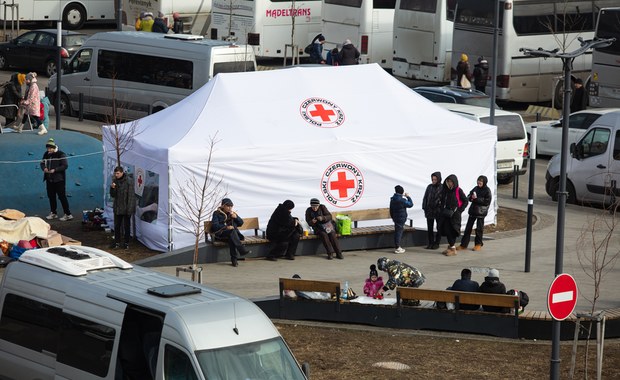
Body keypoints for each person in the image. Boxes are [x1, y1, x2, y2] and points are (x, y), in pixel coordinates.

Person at [211, 198, 251, 267]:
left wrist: (236, 217)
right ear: (223, 206)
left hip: (232, 235)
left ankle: (234, 260)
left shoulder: (232, 213)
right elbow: (215, 226)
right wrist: (226, 227)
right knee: (232, 233)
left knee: (231, 237)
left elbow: (241, 223)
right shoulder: (216, 213)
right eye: (228, 206)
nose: (230, 208)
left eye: (231, 206)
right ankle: (240, 251)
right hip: (221, 235)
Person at [40, 138, 72, 221]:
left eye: (50, 148)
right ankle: (53, 213)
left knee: (62, 197)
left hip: (59, 180)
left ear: (54, 147)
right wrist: (44, 168)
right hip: (49, 179)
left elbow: (65, 166)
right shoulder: (46, 154)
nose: (48, 150)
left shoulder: (61, 154)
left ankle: (68, 214)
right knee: (51, 196)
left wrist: (55, 170)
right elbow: (42, 163)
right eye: (47, 148)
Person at [458, 175, 492, 251]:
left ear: (484, 182)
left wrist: (476, 199)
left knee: (479, 229)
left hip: (481, 212)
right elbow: (469, 196)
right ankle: (463, 244)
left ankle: (478, 244)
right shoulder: (475, 188)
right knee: (468, 228)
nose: (479, 182)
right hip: (473, 211)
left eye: (481, 181)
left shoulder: (487, 190)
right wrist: (471, 198)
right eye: (478, 181)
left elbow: (487, 201)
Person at [438, 174, 468, 256]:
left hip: (455, 215)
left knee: (453, 231)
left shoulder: (458, 190)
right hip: (446, 214)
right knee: (447, 230)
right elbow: (442, 201)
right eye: (448, 181)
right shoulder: (446, 190)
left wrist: (460, 210)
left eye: (451, 181)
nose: (450, 183)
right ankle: (450, 247)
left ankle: (453, 248)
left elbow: (465, 201)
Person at [109, 166, 136, 250]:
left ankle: (126, 243)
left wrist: (129, 209)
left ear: (122, 173)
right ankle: (117, 242)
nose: (116, 175)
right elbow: (113, 195)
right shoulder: (115, 181)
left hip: (126, 207)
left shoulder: (129, 181)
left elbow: (131, 196)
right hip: (118, 207)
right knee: (117, 226)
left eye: (117, 173)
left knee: (126, 226)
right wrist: (112, 188)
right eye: (115, 173)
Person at [421, 171, 443, 250]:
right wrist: (424, 207)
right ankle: (430, 242)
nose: (433, 181)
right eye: (432, 179)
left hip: (438, 211)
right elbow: (425, 197)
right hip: (429, 210)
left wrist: (441, 208)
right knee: (430, 228)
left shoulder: (442, 187)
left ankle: (437, 243)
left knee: (439, 228)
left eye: (435, 179)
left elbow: (444, 199)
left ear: (439, 179)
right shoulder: (429, 187)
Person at [389, 185, 413, 254]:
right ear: (401, 192)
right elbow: (410, 204)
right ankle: (397, 247)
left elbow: (391, 210)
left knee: (397, 231)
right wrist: (408, 197)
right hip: (401, 218)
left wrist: (393, 217)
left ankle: (397, 246)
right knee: (399, 232)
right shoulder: (402, 200)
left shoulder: (393, 199)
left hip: (396, 218)